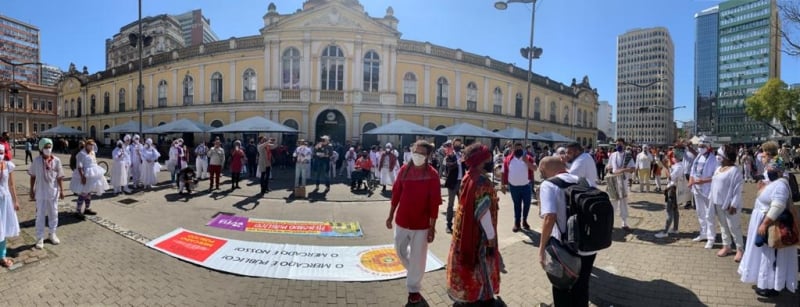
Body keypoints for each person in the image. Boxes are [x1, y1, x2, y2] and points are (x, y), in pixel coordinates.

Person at [737, 146, 799, 297]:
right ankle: (764, 281)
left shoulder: (781, 185)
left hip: (772, 224)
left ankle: (771, 285)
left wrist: (765, 223)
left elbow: (778, 205)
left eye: (771, 169)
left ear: (778, 171)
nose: (768, 171)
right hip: (763, 218)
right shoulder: (773, 182)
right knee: (763, 254)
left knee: (770, 255)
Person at [386, 140, 441, 305]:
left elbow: (434, 203)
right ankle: (414, 271)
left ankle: (413, 289)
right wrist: (390, 216)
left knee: (419, 256)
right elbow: (396, 194)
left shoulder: (432, 174)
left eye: (422, 153)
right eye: (415, 151)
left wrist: (432, 227)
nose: (417, 155)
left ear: (428, 156)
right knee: (400, 251)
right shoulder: (404, 170)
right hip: (402, 221)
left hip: (422, 225)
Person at [538, 156, 596, 307]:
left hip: (564, 248)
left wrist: (541, 248)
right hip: (589, 245)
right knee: (582, 286)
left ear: (544, 169)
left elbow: (549, 217)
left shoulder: (548, 185)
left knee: (561, 286)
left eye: (541, 171)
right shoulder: (585, 181)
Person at [446, 143, 501, 305]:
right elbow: (482, 213)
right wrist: (491, 237)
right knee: (480, 265)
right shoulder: (482, 182)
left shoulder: (468, 175)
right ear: (480, 161)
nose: (490, 162)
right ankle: (481, 296)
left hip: (464, 230)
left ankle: (467, 293)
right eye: (488, 159)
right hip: (478, 234)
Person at [708, 145, 744, 261]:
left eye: (719, 154)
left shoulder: (735, 171)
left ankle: (740, 249)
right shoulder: (718, 169)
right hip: (718, 202)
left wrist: (734, 204)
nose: (717, 156)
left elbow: (738, 189)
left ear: (726, 157)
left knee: (734, 227)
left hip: (729, 204)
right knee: (723, 226)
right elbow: (714, 184)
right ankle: (726, 246)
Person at [654, 147, 690, 239]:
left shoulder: (678, 167)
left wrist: (665, 168)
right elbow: (670, 169)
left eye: (672, 156)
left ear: (676, 157)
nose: (671, 157)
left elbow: (670, 177)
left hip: (672, 189)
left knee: (669, 210)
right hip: (673, 188)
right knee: (675, 210)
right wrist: (665, 165)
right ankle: (675, 228)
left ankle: (665, 231)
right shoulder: (679, 165)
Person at [689, 138, 718, 248]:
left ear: (708, 147)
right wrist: (691, 180)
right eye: (699, 146)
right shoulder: (698, 157)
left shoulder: (714, 159)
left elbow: (716, 176)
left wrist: (703, 181)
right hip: (697, 189)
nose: (700, 148)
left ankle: (711, 237)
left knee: (709, 214)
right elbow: (692, 171)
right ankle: (703, 233)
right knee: (700, 212)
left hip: (707, 189)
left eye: (702, 146)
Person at [501, 142, 536, 232]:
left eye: (520, 148)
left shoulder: (528, 158)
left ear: (522, 149)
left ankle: (524, 220)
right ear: (513, 149)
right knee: (517, 205)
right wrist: (502, 184)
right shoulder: (508, 159)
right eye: (516, 148)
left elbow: (535, 168)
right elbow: (503, 172)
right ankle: (517, 223)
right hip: (513, 187)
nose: (518, 150)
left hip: (526, 186)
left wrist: (526, 161)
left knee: (527, 204)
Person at [69, 139, 109, 219]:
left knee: (89, 192)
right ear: (86, 145)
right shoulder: (81, 154)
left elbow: (94, 162)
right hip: (85, 175)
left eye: (93, 145)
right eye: (90, 144)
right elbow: (79, 166)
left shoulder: (92, 152)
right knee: (83, 193)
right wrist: (82, 177)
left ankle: (87, 209)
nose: (91, 146)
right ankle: (78, 211)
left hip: (92, 175)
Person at [606, 138, 636, 231]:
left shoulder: (628, 156)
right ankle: (610, 223)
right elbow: (609, 166)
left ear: (624, 145)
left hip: (623, 182)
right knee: (613, 202)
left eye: (620, 144)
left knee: (623, 203)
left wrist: (623, 170)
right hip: (614, 181)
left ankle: (624, 223)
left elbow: (633, 168)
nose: (618, 146)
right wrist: (609, 168)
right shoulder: (613, 155)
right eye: (617, 144)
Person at [0, 144, 20, 266]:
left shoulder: (8, 165)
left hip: (5, 200)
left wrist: (15, 201)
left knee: (3, 228)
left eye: (1, 152)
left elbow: (11, 185)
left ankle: (2, 256)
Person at [444, 140, 465, 234]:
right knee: (450, 204)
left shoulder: (462, 155)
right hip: (453, 183)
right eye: (456, 143)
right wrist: (458, 161)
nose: (458, 145)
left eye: (459, 143)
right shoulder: (450, 155)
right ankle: (448, 224)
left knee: (462, 203)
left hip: (461, 182)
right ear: (453, 145)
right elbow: (450, 166)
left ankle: (461, 223)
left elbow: (466, 167)